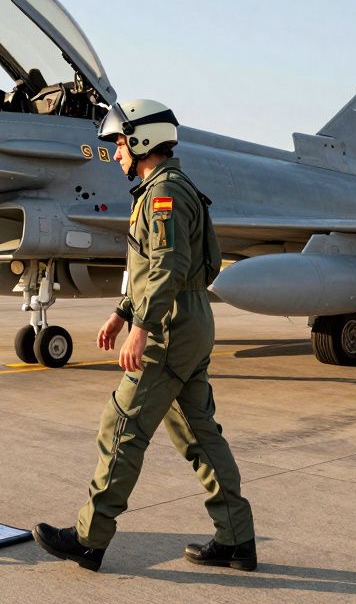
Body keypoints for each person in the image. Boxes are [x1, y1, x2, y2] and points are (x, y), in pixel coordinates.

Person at [33, 99, 256, 572]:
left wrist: (143, 328)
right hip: (186, 320)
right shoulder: (164, 189)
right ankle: (237, 538)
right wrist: (121, 313)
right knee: (198, 433)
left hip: (170, 326)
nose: (115, 152)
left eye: (119, 141)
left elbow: (167, 267)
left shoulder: (164, 195)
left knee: (121, 428)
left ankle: (90, 539)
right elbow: (151, 268)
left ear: (142, 140)